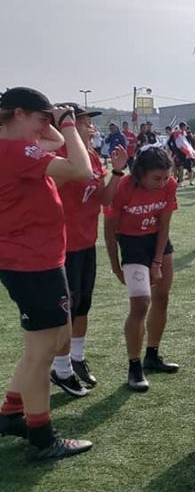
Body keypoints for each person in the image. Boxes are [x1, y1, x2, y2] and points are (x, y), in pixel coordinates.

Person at [0, 88, 95, 458]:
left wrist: (53, 124)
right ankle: (41, 436)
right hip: (32, 262)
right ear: (19, 114)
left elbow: (52, 143)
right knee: (41, 353)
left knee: (48, 341)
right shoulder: (15, 151)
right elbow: (82, 170)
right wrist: (69, 124)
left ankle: (11, 411)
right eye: (41, 119)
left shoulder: (17, 148)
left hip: (31, 259)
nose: (47, 127)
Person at [50, 103, 127, 398]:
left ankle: (77, 359)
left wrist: (118, 172)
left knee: (83, 306)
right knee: (65, 311)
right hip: (62, 246)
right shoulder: (59, 157)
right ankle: (61, 367)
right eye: (85, 122)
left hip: (85, 243)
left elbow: (104, 200)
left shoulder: (92, 156)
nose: (92, 128)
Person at [104, 146, 181, 392]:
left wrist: (158, 260)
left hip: (157, 243)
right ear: (140, 173)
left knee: (162, 297)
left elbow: (164, 224)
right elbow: (109, 231)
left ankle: (152, 355)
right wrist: (116, 266)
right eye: (156, 178)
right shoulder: (124, 187)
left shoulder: (169, 186)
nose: (162, 183)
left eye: (165, 177)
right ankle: (134, 366)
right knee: (140, 304)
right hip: (132, 244)